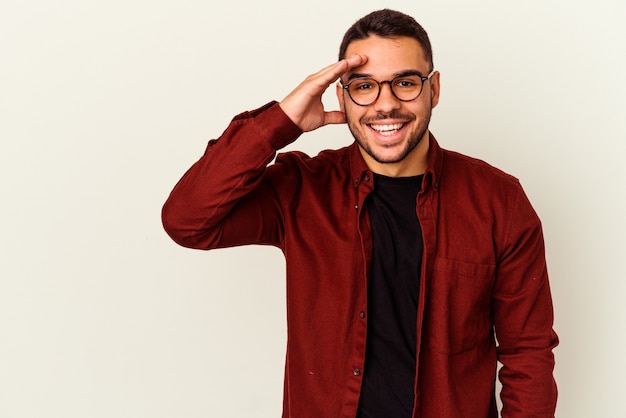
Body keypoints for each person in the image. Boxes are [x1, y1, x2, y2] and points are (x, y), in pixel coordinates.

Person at [162, 8, 558, 418]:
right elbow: (187, 221)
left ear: (434, 89)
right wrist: (281, 121)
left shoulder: (499, 202)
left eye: (405, 83)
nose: (386, 105)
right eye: (364, 86)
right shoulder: (301, 189)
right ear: (341, 97)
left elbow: (527, 351)